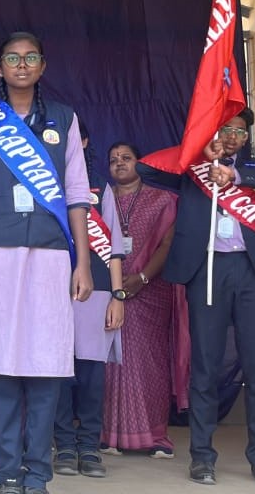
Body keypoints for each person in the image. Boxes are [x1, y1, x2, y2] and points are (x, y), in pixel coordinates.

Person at [0, 32, 95, 494]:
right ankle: (8, 472)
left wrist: (83, 263)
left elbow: (77, 194)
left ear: (42, 65)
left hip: (51, 254)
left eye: (31, 57)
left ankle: (38, 472)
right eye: (12, 58)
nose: (21, 64)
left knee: (46, 363)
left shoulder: (64, 119)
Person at [138, 108, 255, 488]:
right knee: (205, 368)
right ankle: (202, 457)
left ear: (247, 138)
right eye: (225, 129)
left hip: (251, 272)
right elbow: (146, 169)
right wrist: (197, 151)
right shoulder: (192, 167)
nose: (232, 136)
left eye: (240, 132)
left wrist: (238, 177)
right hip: (208, 270)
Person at [100, 142, 184, 459]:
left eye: (126, 158)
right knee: (110, 362)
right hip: (108, 290)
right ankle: (109, 435)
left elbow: (167, 244)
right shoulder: (99, 200)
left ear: (140, 162)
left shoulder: (162, 200)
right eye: (113, 159)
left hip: (150, 289)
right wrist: (113, 285)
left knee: (150, 361)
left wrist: (143, 278)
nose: (119, 163)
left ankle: (155, 435)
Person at [53, 130, 126, 479]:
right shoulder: (43, 181)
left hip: (96, 289)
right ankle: (64, 445)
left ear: (83, 142)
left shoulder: (100, 186)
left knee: (92, 374)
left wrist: (117, 295)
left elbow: (114, 246)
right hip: (51, 288)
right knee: (57, 372)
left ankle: (89, 446)